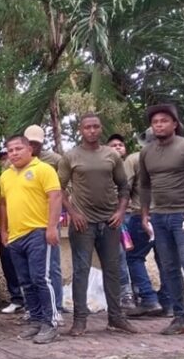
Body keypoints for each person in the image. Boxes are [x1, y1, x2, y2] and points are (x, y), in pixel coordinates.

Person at [139, 103, 184, 340]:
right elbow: (144, 185)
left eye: (164, 121)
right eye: (155, 122)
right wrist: (144, 214)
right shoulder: (146, 152)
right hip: (159, 217)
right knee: (169, 269)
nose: (159, 125)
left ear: (174, 124)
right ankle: (181, 318)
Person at [58, 114, 138, 336]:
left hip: (109, 222)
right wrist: (72, 213)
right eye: (87, 127)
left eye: (95, 127)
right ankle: (79, 320)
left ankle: (116, 318)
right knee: (81, 271)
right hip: (83, 224)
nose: (92, 130)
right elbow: (59, 190)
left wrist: (121, 212)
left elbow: (124, 187)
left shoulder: (111, 155)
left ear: (100, 129)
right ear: (80, 130)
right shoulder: (71, 156)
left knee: (112, 270)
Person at [0, 134, 62, 344]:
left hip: (38, 232)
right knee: (25, 282)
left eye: (18, 149)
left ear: (29, 149)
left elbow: (55, 197)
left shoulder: (43, 169)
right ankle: (35, 320)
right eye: (10, 150)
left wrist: (52, 227)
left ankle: (51, 323)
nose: (14, 153)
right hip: (16, 236)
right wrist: (4, 230)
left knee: (41, 279)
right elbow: (5, 205)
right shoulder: (6, 176)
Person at [122, 131, 169, 318]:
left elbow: (124, 187)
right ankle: (168, 302)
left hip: (141, 214)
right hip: (167, 214)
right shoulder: (171, 158)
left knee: (134, 257)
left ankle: (149, 299)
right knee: (166, 260)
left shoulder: (134, 159)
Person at [23, 124, 64, 315]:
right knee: (30, 271)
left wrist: (58, 220)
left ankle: (57, 305)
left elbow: (62, 190)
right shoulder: (16, 163)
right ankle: (36, 310)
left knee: (51, 267)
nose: (32, 146)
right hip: (25, 223)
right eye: (29, 142)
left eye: (36, 143)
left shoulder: (54, 161)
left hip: (48, 221)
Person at [0, 150, 25, 314]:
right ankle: (16, 299)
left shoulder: (26, 176)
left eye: (7, 156)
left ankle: (33, 302)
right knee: (9, 266)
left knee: (28, 268)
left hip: (25, 229)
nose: (6, 160)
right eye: (2, 158)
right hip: (6, 231)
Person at [106, 134, 137, 310]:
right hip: (113, 216)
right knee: (119, 256)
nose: (118, 147)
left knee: (133, 256)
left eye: (120, 145)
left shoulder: (131, 165)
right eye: (113, 145)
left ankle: (135, 291)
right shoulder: (105, 167)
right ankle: (126, 294)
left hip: (131, 215)